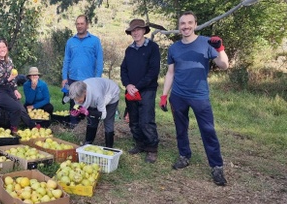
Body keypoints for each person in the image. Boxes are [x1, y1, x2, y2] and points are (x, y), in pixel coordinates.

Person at [160, 11, 229, 186]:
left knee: (208, 131)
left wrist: (220, 49)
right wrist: (164, 95)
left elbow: (224, 65)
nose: (186, 26)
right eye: (183, 23)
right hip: (178, 96)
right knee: (181, 129)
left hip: (200, 96)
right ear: (179, 26)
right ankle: (184, 156)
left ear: (195, 24)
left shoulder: (207, 43)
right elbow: (170, 73)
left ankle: (217, 166)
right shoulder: (174, 48)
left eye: (189, 23)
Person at [120, 19, 161, 163]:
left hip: (147, 90)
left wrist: (138, 86)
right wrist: (127, 85)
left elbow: (153, 71)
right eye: (133, 30)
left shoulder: (153, 47)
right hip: (131, 90)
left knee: (146, 120)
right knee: (134, 120)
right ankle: (140, 144)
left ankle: (152, 148)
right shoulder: (129, 50)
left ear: (144, 30)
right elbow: (123, 69)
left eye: (138, 29)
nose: (135, 32)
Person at [0, 38, 37, 132]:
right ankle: (13, 130)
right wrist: (8, 79)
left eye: (4, 47)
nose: (2, 49)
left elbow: (13, 78)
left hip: (7, 88)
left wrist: (15, 89)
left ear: (7, 48)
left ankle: (33, 127)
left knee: (21, 108)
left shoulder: (9, 61)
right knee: (15, 108)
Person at [62, 14, 104, 127]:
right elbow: (66, 60)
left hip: (89, 80)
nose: (79, 26)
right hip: (73, 79)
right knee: (74, 104)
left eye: (82, 24)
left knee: (89, 104)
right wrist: (64, 77)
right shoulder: (70, 42)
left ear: (87, 25)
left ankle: (88, 128)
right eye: (77, 24)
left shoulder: (95, 41)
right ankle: (73, 126)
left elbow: (99, 61)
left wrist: (97, 79)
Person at [68, 78, 120, 148]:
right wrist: (79, 111)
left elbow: (103, 115)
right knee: (92, 120)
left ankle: (109, 147)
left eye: (78, 98)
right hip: (98, 90)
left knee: (108, 121)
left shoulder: (97, 95)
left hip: (111, 92)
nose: (77, 101)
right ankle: (88, 143)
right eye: (75, 99)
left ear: (85, 92)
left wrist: (88, 112)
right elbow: (80, 104)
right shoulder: (77, 92)